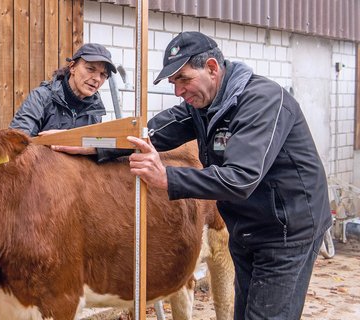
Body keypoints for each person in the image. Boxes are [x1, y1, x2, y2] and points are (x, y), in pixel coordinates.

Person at [127, 31, 331, 320]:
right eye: (174, 83)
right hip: (247, 228)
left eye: (183, 79)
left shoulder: (262, 102)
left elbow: (240, 178)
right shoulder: (203, 106)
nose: (178, 92)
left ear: (212, 68)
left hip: (286, 231)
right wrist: (95, 146)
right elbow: (148, 135)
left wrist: (168, 178)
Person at [9, 42, 124, 162]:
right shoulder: (41, 97)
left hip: (76, 178)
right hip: (41, 175)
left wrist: (72, 139)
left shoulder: (95, 109)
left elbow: (106, 142)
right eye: (90, 69)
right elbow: (15, 141)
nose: (97, 78)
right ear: (72, 67)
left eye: (103, 74)